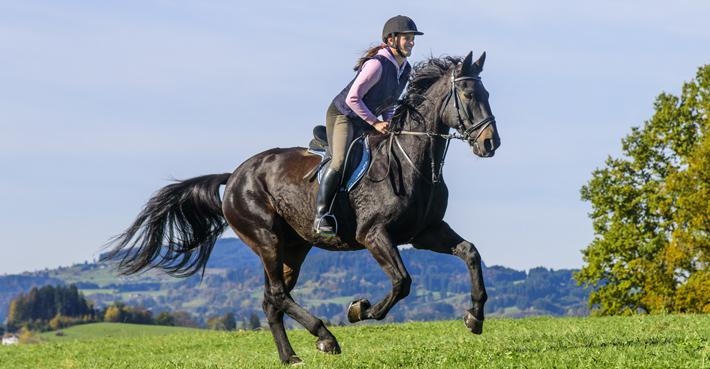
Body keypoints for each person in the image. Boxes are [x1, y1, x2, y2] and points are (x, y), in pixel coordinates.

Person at [314, 15, 423, 236]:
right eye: (407, 38)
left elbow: (389, 103)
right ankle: (321, 215)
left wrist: (388, 122)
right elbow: (352, 99)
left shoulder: (405, 69)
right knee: (340, 161)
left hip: (366, 117)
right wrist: (375, 122)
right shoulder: (377, 65)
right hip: (344, 115)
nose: (411, 42)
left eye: (412, 38)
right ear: (391, 40)